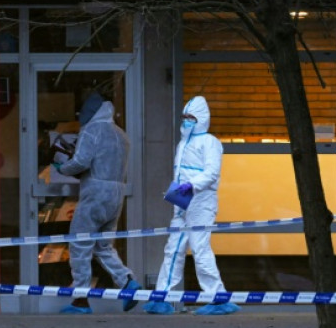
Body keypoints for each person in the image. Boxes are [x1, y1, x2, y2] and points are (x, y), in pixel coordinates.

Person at [143, 96, 240, 316]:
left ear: (201, 119)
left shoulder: (210, 142)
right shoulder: (183, 143)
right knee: (173, 249)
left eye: (191, 117)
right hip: (183, 201)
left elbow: (212, 172)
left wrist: (191, 185)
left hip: (201, 201)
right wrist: (179, 191)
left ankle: (218, 298)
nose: (186, 121)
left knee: (199, 248)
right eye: (184, 117)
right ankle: (162, 297)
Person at [54, 91, 142, 314]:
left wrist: (62, 168)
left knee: (79, 245)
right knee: (103, 246)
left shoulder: (92, 130)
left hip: (94, 194)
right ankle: (127, 281)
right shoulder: (121, 135)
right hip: (115, 195)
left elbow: (81, 162)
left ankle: (80, 300)